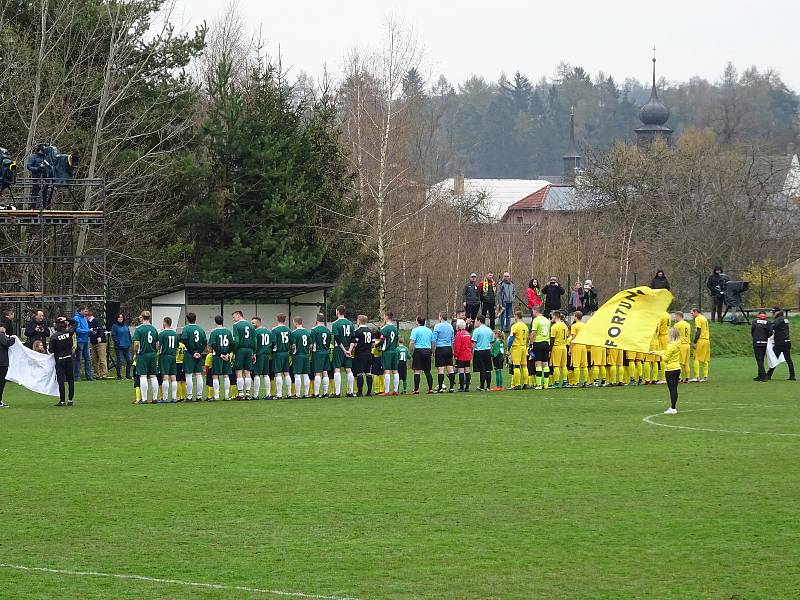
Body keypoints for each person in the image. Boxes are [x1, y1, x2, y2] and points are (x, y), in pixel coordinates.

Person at [650, 327, 682, 414]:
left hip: (670, 369)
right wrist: (655, 352)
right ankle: (673, 407)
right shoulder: (678, 344)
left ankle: (673, 408)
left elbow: (665, 358)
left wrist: (660, 356)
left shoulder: (671, 345)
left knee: (672, 389)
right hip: (677, 368)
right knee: (674, 389)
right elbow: (666, 351)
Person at [131, 311, 159, 403]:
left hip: (143, 354)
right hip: (152, 354)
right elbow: (158, 344)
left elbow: (136, 344)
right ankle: (155, 398)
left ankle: (144, 398)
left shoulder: (139, 329)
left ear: (142, 318)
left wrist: (135, 353)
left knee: (143, 376)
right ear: (149, 317)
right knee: (153, 376)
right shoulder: (154, 329)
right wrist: (155, 351)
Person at [48, 316, 75, 407]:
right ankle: (70, 399)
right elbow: (75, 323)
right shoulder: (69, 333)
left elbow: (51, 350)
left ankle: (62, 400)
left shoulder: (54, 337)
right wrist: (66, 318)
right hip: (69, 359)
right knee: (71, 380)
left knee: (61, 381)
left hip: (60, 360)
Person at [180, 312, 207, 402]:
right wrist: (199, 352)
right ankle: (199, 396)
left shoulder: (186, 329)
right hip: (198, 354)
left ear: (187, 319)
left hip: (189, 354)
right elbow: (205, 342)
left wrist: (192, 353)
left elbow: (184, 341)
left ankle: (189, 396)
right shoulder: (200, 329)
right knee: (199, 375)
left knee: (188, 375)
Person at [230, 310, 256, 399]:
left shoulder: (236, 325)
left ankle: (240, 393)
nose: (233, 319)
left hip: (240, 349)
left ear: (238, 316)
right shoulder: (251, 326)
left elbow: (236, 340)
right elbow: (254, 340)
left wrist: (234, 351)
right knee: (247, 372)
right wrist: (254, 352)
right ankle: (248, 394)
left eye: (234, 317)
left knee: (239, 371)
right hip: (249, 350)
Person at [207, 315, 234, 400]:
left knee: (215, 375)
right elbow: (232, 344)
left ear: (215, 322)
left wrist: (220, 354)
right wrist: (227, 353)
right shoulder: (228, 331)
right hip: (226, 356)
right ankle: (226, 395)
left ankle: (217, 396)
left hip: (217, 356)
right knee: (226, 375)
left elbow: (213, 344)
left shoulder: (213, 332)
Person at [331, 305, 355, 397]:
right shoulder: (350, 323)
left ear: (337, 312)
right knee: (348, 369)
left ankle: (337, 392)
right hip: (349, 348)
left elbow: (337, 338)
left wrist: (344, 350)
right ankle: (350, 392)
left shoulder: (335, 323)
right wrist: (349, 350)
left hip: (339, 349)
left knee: (337, 369)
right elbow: (353, 338)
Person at [768, 308, 795, 381]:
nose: (772, 314)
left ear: (778, 312)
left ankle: (768, 375)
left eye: (773, 312)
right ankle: (792, 376)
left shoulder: (778, 320)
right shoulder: (785, 319)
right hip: (787, 341)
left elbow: (772, 327)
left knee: (774, 358)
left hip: (780, 342)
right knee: (788, 359)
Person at [409, 316, 434, 394]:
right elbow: (432, 342)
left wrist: (410, 351)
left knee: (417, 371)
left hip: (418, 351)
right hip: (427, 351)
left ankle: (416, 389)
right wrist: (432, 351)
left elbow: (412, 342)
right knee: (427, 371)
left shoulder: (415, 330)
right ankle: (430, 389)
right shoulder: (429, 330)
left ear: (417, 322)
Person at [432, 311, 456, 392]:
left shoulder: (437, 326)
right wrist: (452, 350)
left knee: (441, 369)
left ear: (441, 317)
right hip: (448, 348)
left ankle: (440, 387)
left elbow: (434, 340)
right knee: (450, 368)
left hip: (440, 348)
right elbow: (453, 340)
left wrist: (433, 350)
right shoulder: (450, 327)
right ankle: (451, 387)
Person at [157, 316, 179, 402]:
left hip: (164, 356)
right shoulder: (175, 334)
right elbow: (177, 345)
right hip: (173, 356)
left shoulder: (162, 334)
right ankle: (174, 397)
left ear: (165, 323)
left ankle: (165, 398)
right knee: (173, 376)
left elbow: (158, 345)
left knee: (165, 376)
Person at [290, 316, 313, 398]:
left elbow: (293, 346)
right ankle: (306, 393)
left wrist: (292, 352)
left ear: (295, 323)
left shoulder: (294, 333)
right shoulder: (307, 332)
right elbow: (311, 346)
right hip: (306, 355)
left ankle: (298, 394)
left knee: (297, 375)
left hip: (298, 355)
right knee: (306, 374)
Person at [310, 314, 332, 398]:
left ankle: (316, 393)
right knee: (325, 372)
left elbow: (312, 344)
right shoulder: (327, 330)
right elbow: (329, 341)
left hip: (318, 353)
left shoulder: (314, 330)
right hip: (325, 352)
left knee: (317, 373)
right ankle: (325, 393)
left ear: (316, 320)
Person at [252, 316, 273, 400]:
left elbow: (254, 344)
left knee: (257, 374)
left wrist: (254, 354)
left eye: (253, 323)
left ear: (258, 322)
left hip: (259, 355)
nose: (252, 324)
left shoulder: (255, 332)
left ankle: (256, 395)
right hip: (266, 355)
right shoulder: (268, 332)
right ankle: (268, 394)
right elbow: (272, 343)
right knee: (266, 374)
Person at [530, 306, 551, 389]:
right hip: (546, 343)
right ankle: (546, 384)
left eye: (533, 311)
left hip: (538, 343)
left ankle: (538, 384)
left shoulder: (536, 320)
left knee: (538, 363)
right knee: (545, 363)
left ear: (535, 311)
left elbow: (533, 333)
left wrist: (530, 343)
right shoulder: (546, 320)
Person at [271, 314, 292, 399]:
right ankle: (289, 393)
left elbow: (273, 342)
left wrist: (272, 350)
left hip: (278, 353)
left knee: (278, 373)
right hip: (286, 353)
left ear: (277, 319)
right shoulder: (289, 330)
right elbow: (291, 343)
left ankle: (279, 394)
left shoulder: (274, 330)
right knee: (286, 373)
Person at [471, 315, 493, 392]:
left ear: (479, 321)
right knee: (488, 369)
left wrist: (473, 351)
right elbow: (491, 342)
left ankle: (481, 386)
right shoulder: (489, 330)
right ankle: (488, 386)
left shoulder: (476, 331)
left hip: (479, 351)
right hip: (487, 351)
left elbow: (474, 342)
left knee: (482, 369)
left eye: (476, 321)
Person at [379, 312, 400, 396]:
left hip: (387, 351)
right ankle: (395, 390)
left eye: (384, 316)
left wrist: (376, 346)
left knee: (386, 371)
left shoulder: (384, 328)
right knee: (395, 371)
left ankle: (387, 391)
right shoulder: (395, 328)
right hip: (395, 351)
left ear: (386, 317)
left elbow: (382, 341)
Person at [507, 310, 529, 390]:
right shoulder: (525, 326)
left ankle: (517, 384)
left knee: (516, 366)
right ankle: (526, 383)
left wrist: (508, 349)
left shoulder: (515, 326)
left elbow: (511, 338)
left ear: (516, 316)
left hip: (517, 347)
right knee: (524, 366)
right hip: (524, 346)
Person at [549, 311, 569, 388]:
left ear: (555, 316)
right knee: (564, 365)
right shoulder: (565, 326)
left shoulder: (554, 327)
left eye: (552, 317)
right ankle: (564, 381)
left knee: (556, 366)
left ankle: (556, 382)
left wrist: (550, 349)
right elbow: (567, 336)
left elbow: (552, 339)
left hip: (557, 347)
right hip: (564, 347)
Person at [569, 311, 589, 387]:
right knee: (585, 365)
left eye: (574, 315)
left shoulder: (574, 326)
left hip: (576, 346)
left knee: (576, 365)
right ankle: (585, 381)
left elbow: (573, 338)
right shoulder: (584, 325)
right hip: (583, 345)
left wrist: (570, 349)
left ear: (576, 316)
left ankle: (576, 382)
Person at [72, 305, 92, 381]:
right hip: (80, 341)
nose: (86, 312)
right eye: (85, 311)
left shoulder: (84, 318)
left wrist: (90, 331)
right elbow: (77, 330)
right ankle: (77, 376)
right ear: (81, 311)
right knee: (78, 359)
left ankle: (89, 376)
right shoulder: (76, 318)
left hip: (86, 340)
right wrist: (88, 331)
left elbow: (85, 329)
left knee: (88, 359)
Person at [690, 308, 710, 382]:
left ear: (696, 312)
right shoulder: (704, 318)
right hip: (707, 340)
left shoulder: (698, 318)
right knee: (705, 359)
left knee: (696, 358)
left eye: (692, 313)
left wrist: (694, 342)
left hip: (701, 340)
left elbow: (698, 331)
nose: (692, 315)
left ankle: (697, 377)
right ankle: (705, 376)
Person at [87, 309, 108, 379]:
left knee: (102, 359)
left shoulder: (96, 321)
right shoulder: (87, 322)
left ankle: (104, 374)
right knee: (94, 359)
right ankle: (96, 374)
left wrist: (100, 337)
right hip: (93, 342)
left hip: (100, 342)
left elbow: (101, 329)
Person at [453, 320, 473, 392]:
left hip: (461, 355)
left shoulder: (459, 334)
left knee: (461, 371)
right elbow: (470, 345)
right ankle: (467, 387)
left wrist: (455, 355)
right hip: (468, 355)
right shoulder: (468, 333)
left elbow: (457, 345)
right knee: (467, 371)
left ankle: (461, 387)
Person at [111, 314, 132, 379]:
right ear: (117, 318)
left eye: (122, 317)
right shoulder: (114, 326)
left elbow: (128, 334)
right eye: (119, 317)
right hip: (119, 346)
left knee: (129, 360)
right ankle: (119, 375)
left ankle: (128, 375)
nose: (121, 318)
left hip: (126, 345)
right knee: (119, 361)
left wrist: (130, 341)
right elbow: (113, 335)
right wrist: (118, 342)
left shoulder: (125, 325)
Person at [0, 322, 16, 408]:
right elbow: (7, 343)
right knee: (1, 383)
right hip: (2, 363)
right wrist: (13, 339)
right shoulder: (1, 335)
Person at [751, 311, 770, 381]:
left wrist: (755, 337)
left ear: (758, 315)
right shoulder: (768, 322)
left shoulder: (754, 322)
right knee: (761, 359)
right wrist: (766, 337)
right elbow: (770, 332)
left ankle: (764, 376)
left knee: (759, 360)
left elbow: (752, 331)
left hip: (756, 342)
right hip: (764, 343)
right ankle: (760, 375)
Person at [673, 312, 692, 383]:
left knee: (678, 362)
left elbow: (674, 335)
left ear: (678, 316)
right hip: (687, 345)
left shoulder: (677, 325)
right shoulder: (688, 324)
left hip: (681, 345)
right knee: (686, 363)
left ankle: (679, 378)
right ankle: (687, 378)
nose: (675, 318)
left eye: (675, 316)